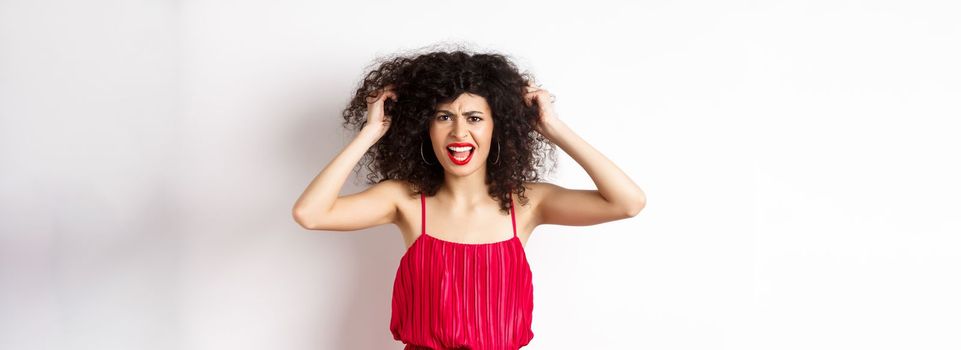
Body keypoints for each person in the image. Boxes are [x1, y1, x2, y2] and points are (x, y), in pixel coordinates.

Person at [292, 48, 646, 349]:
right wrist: (371, 132)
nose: (459, 132)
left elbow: (627, 202)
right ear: (424, 128)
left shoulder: (526, 204)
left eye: (474, 118)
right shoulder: (405, 200)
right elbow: (310, 214)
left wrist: (552, 126)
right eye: (444, 117)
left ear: (498, 126)